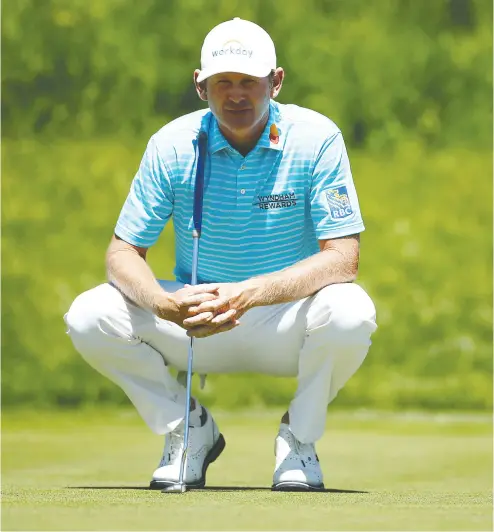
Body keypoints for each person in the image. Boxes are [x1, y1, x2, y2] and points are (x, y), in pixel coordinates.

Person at [64, 17, 377, 492]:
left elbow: (342, 259)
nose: (235, 95)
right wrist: (164, 304)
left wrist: (252, 291)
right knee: (89, 315)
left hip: (284, 316)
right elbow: (123, 252)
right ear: (200, 84)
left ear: (275, 81)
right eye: (222, 82)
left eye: (249, 82)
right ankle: (186, 428)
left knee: (352, 312)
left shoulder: (317, 138)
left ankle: (298, 438)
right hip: (195, 318)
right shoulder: (171, 144)